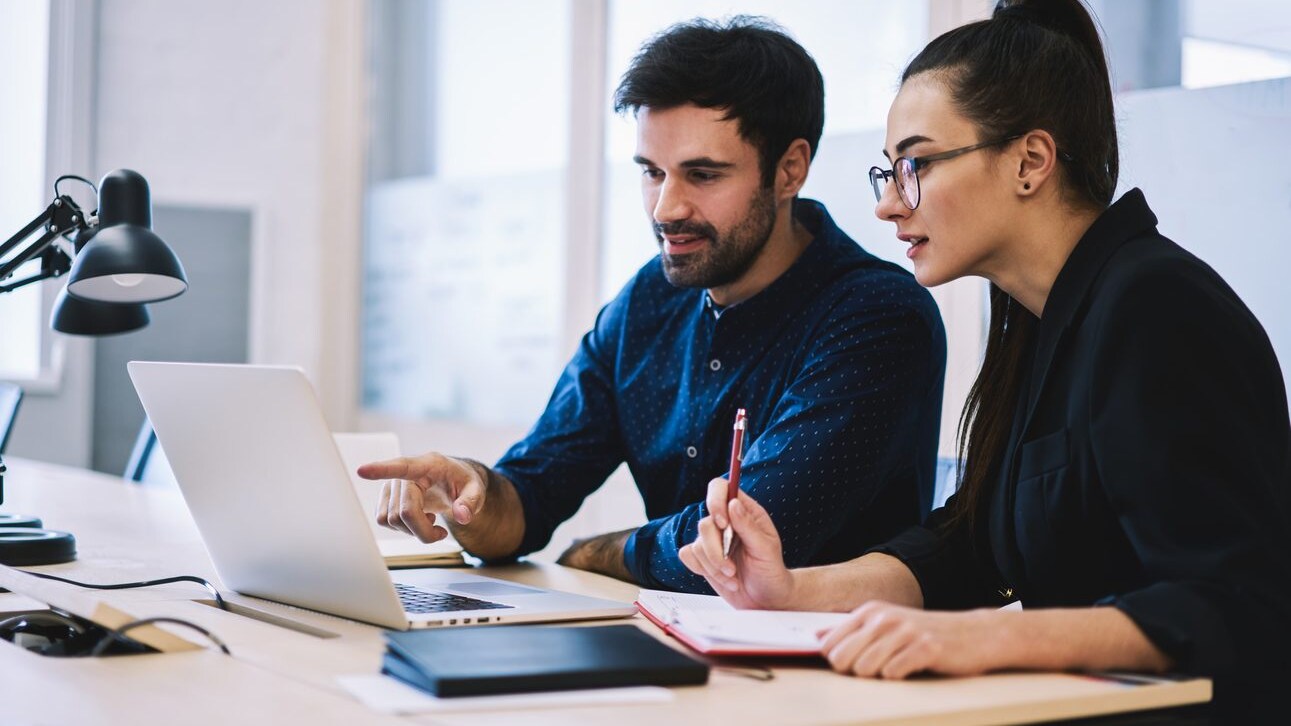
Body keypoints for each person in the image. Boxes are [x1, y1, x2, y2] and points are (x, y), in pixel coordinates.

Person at [679, 0, 1291, 716]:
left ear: (1029, 162)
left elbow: (1233, 604)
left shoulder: (1155, 306)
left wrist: (988, 638)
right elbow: (969, 547)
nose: (887, 205)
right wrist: (787, 590)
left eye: (914, 165)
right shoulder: (1037, 320)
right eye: (888, 173)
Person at [358, 17, 946, 593]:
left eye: (702, 175)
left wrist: (595, 553)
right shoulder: (650, 300)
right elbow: (528, 499)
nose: (666, 208)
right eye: (651, 172)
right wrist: (472, 493)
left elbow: (738, 546)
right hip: (672, 640)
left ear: (789, 170)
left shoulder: (876, 317)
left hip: (832, 650)